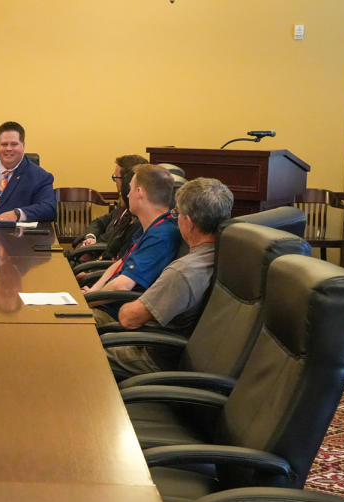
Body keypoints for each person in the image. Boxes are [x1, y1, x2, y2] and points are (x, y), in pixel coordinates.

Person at [105, 178, 234, 378]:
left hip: (150, 359)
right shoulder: (225, 255)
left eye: (178, 214)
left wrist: (130, 304)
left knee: (79, 353)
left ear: (189, 223)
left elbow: (129, 318)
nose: (175, 219)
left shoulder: (184, 271)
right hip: (168, 349)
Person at [83, 164, 181, 323]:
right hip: (104, 303)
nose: (127, 195)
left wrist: (87, 301)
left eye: (130, 189)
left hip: (115, 317)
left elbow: (122, 286)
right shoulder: (150, 226)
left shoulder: (161, 235)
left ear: (139, 192)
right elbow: (120, 263)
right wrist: (94, 291)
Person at [71, 154, 147, 261]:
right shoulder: (123, 207)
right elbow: (99, 222)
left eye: (115, 177)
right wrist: (90, 238)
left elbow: (118, 254)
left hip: (99, 263)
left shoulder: (137, 216)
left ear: (127, 181)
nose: (115, 182)